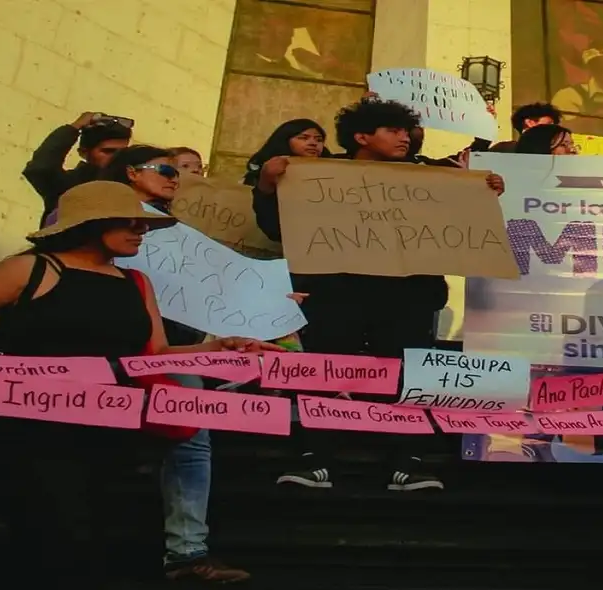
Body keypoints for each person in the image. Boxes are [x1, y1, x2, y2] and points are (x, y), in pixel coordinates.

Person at [0, 181, 277, 589]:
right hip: (30, 428)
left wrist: (219, 348)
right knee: (51, 533)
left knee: (98, 534)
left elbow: (153, 354)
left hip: (111, 428)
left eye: (143, 223)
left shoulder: (136, 282)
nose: (141, 229)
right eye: (130, 222)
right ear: (91, 224)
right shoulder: (30, 270)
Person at [255, 99, 503, 490]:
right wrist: (269, 186)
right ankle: (316, 459)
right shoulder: (316, 175)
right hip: (338, 295)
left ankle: (407, 462)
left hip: (407, 299)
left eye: (406, 130)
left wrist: (483, 190)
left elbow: (463, 221)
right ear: (361, 136)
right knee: (326, 373)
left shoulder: (431, 177)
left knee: (408, 377)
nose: (405, 137)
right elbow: (275, 227)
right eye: (393, 130)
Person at [100, 146, 251, 584]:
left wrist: (264, 304)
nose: (174, 178)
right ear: (130, 173)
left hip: (165, 347)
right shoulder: (81, 210)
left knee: (191, 435)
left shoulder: (173, 238)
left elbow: (213, 283)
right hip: (90, 349)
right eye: (165, 170)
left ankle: (187, 550)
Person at [24, 112, 133, 227]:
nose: (116, 157)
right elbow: (41, 168)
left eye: (122, 152)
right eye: (107, 151)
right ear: (84, 153)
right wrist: (75, 127)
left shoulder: (131, 185)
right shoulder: (70, 184)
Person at [246, 119, 331, 243]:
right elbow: (271, 226)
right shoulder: (269, 169)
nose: (313, 143)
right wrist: (266, 181)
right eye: (303, 138)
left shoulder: (331, 171)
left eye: (319, 139)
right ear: (285, 140)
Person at [487, 102, 562, 153]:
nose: (554, 130)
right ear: (530, 122)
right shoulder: (504, 150)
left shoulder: (555, 154)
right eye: (549, 124)